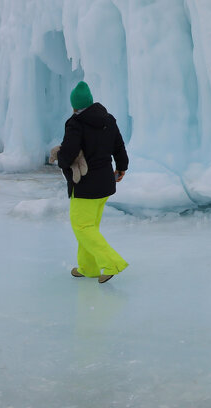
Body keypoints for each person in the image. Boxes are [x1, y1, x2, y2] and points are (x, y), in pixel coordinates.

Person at [57, 81, 129, 284]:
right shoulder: (108, 119)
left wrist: (60, 157)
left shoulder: (76, 124)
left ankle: (112, 263)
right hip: (105, 183)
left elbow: (68, 153)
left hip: (85, 186)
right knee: (90, 227)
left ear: (75, 105)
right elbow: (119, 146)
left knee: (81, 227)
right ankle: (88, 268)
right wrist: (122, 167)